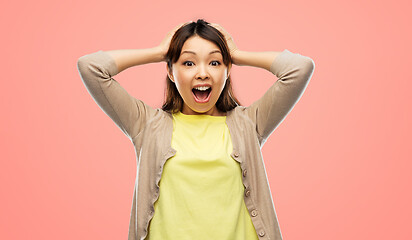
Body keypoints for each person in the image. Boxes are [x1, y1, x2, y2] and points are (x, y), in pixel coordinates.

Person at [77, 19, 315, 240]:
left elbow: (299, 68)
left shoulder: (248, 123)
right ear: (170, 71)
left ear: (227, 70)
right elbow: (91, 67)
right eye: (188, 62)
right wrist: (159, 52)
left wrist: (237, 55)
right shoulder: (147, 125)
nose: (203, 73)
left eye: (215, 62)